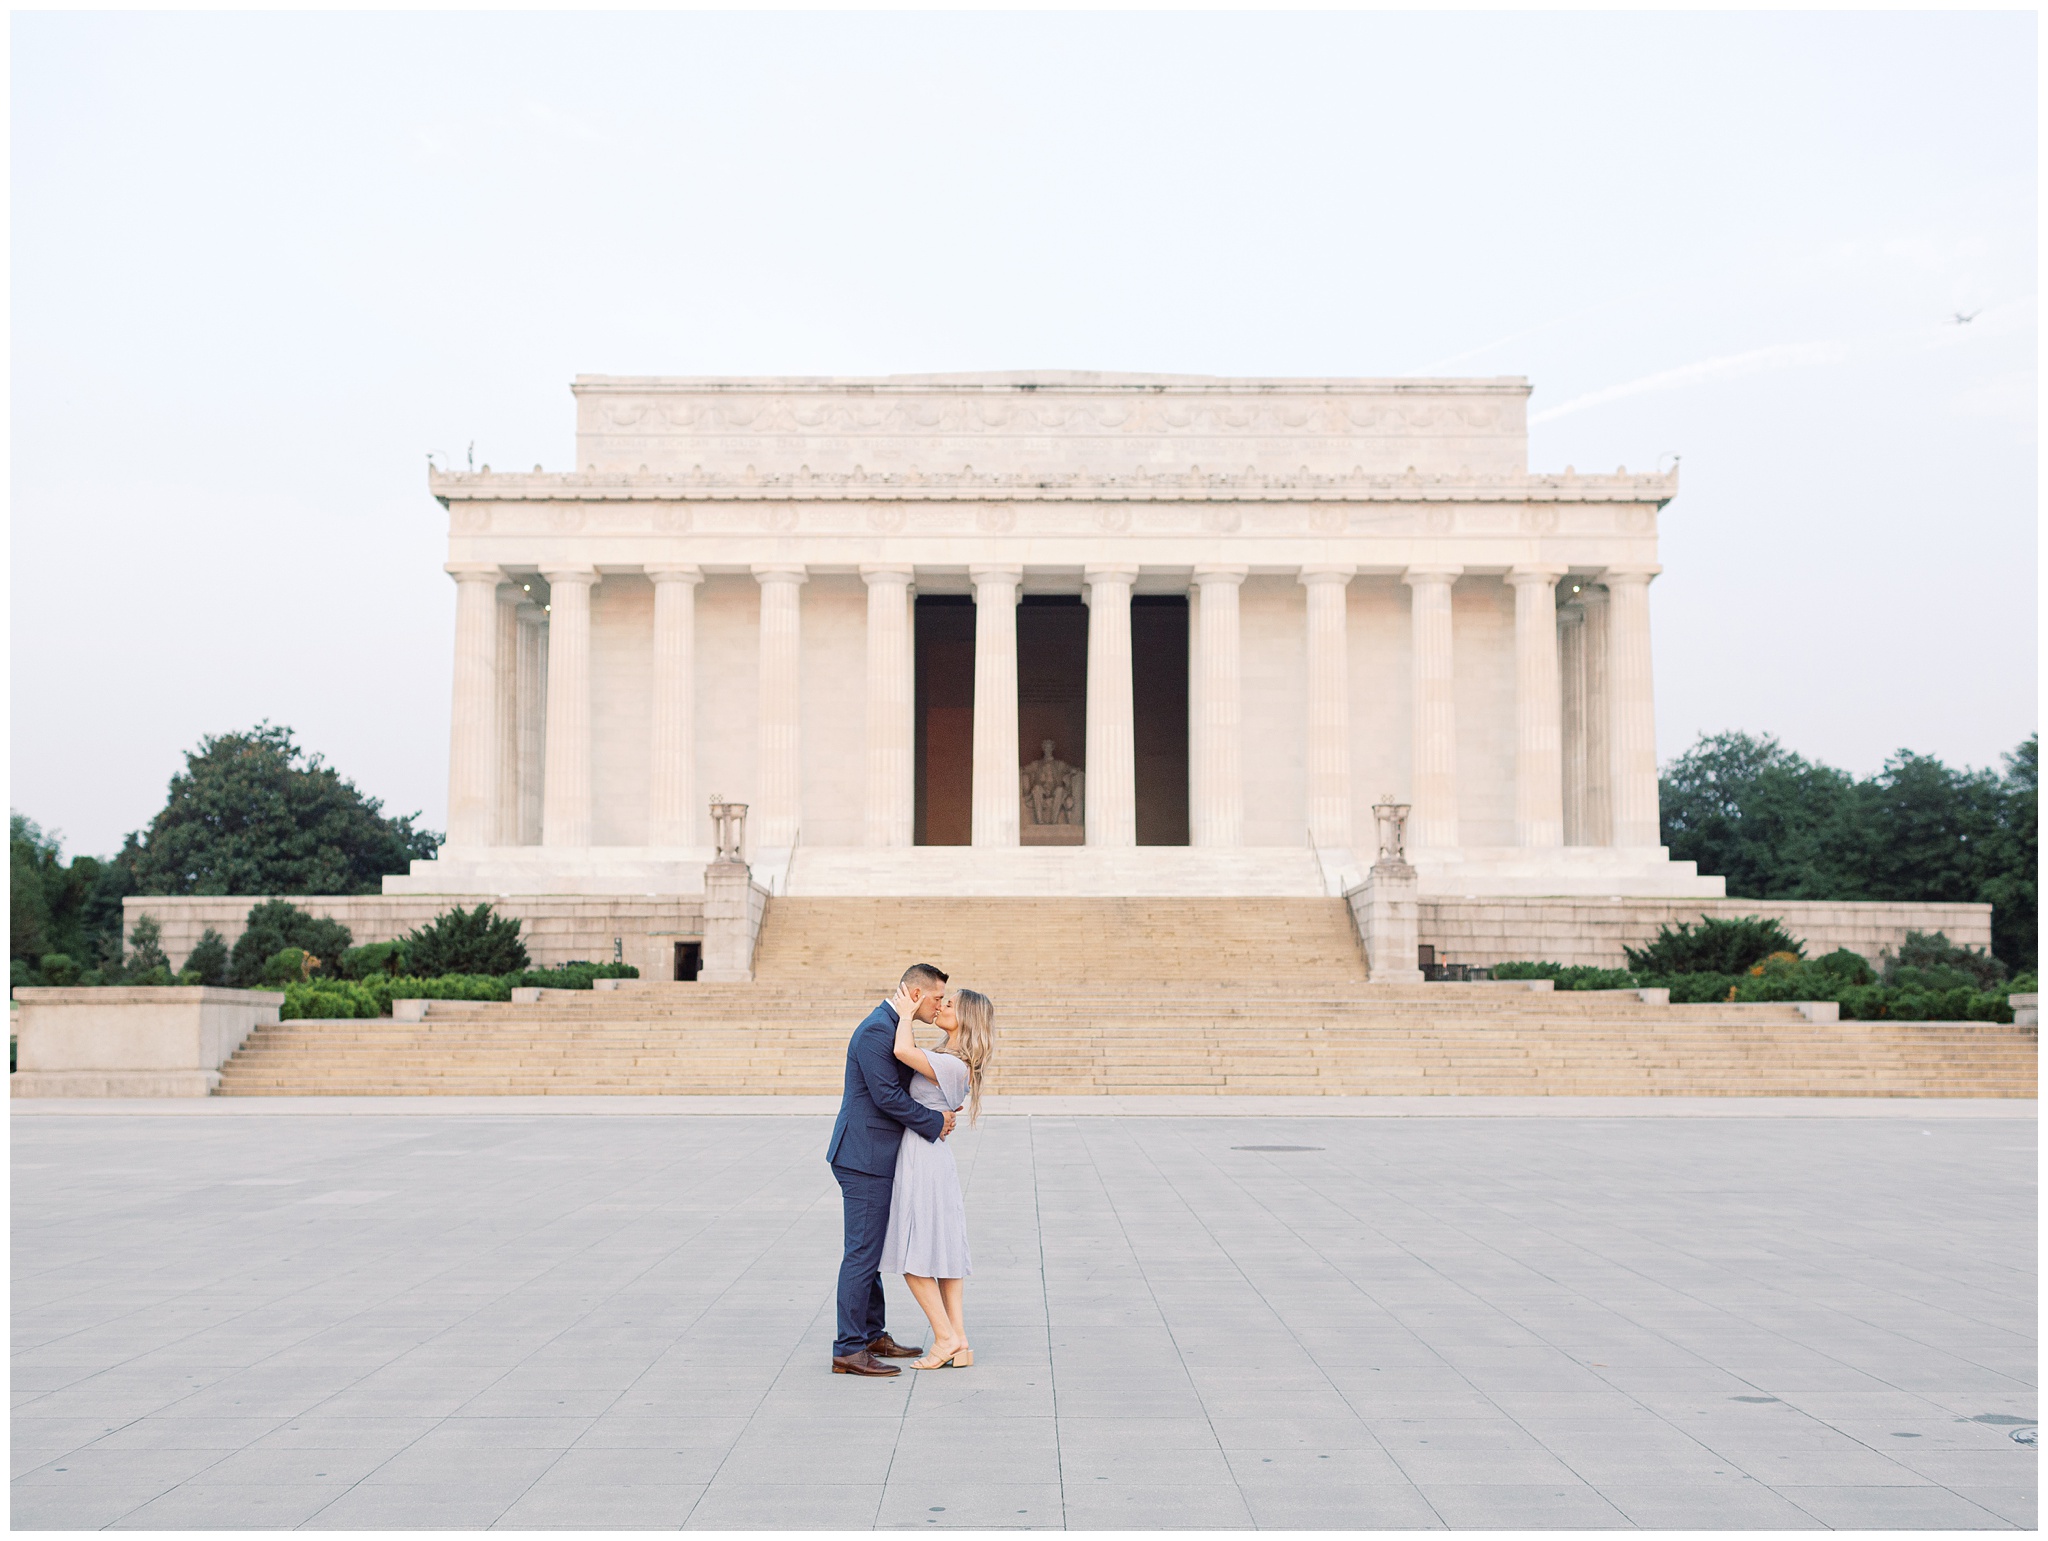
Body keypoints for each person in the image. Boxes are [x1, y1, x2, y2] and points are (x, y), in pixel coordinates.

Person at [825, 962, 956, 1377]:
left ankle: (872, 1333)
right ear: (915, 993)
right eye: (936, 997)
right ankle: (849, 1348)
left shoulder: (892, 1024)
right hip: (863, 1156)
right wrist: (934, 1122)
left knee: (872, 1248)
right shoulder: (877, 1030)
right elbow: (885, 1096)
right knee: (862, 1252)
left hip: (875, 1154)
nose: (939, 1006)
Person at [882, 986, 995, 1370]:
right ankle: (958, 1337)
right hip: (931, 1154)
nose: (941, 1006)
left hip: (923, 1157)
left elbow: (901, 1052)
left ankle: (944, 1337)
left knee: (912, 1256)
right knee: (943, 1252)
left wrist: (905, 1014)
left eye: (949, 1004)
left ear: (966, 1019)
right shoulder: (952, 1060)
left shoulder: (951, 1063)